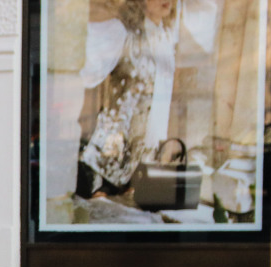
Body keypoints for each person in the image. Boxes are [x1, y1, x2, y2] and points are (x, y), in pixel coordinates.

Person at [77, 0, 216, 198]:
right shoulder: (122, 32)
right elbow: (86, 74)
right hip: (108, 163)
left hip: (143, 166)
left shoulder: (167, 37)